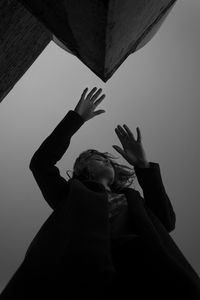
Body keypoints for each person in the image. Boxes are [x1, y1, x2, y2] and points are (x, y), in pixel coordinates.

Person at [1, 87, 200, 300]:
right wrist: (76, 119)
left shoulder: (133, 199)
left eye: (107, 158)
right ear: (82, 169)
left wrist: (143, 166)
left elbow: (167, 222)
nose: (105, 160)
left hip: (150, 276)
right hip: (82, 278)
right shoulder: (70, 194)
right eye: (95, 158)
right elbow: (41, 164)